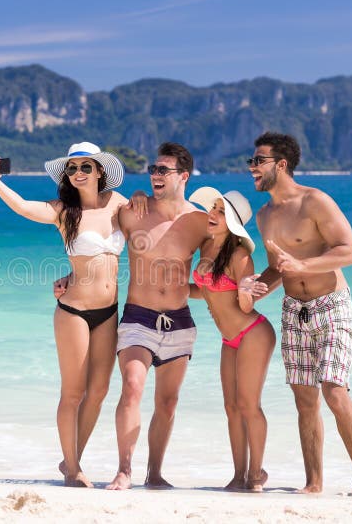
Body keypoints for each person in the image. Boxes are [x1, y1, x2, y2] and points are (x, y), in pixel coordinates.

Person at [57, 142, 210, 490]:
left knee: (168, 403)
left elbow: (213, 271)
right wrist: (73, 277)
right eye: (152, 170)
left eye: (163, 170)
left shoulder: (200, 221)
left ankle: (154, 473)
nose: (155, 175)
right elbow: (94, 240)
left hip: (179, 320)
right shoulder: (132, 210)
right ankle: (124, 470)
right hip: (138, 316)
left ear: (183, 176)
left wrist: (224, 287)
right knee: (131, 387)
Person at [0, 142, 132, 488]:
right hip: (74, 311)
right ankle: (74, 468)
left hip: (109, 312)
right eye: (72, 168)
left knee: (99, 391)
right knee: (74, 392)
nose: (78, 173)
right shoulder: (64, 211)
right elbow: (22, 207)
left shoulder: (119, 204)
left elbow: (151, 221)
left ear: (100, 171)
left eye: (85, 167)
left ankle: (69, 459)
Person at [243, 131, 352, 495]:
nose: (251, 167)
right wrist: (256, 291)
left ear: (281, 165)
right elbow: (277, 269)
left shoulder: (315, 201)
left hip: (331, 304)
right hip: (293, 310)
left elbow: (350, 251)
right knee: (304, 398)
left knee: (334, 391)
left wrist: (302, 265)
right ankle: (313, 482)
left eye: (258, 161)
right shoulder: (265, 214)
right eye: (251, 161)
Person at [187, 187, 276, 491]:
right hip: (229, 339)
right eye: (212, 209)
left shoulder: (241, 256)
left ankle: (256, 473)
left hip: (254, 333)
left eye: (220, 211)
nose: (212, 215)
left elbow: (245, 306)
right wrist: (179, 289)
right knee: (230, 407)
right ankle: (238, 475)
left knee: (248, 404)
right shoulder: (205, 248)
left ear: (233, 223)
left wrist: (244, 291)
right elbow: (207, 292)